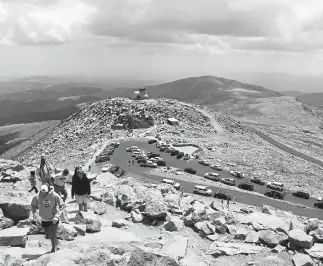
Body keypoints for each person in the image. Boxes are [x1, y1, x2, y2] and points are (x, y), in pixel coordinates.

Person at [30, 184, 65, 253]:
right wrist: (34, 215)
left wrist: (57, 216)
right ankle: (56, 242)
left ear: (48, 190)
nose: (44, 194)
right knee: (48, 236)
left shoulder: (55, 195)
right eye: (42, 192)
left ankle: (53, 249)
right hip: (44, 218)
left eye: (45, 192)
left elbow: (62, 206)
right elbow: (33, 206)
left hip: (53, 218)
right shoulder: (37, 196)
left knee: (53, 235)